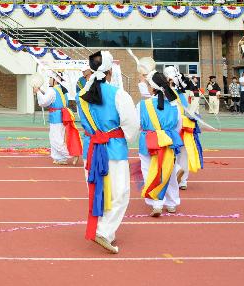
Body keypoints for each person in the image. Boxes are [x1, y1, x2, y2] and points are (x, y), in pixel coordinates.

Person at [76, 51, 139, 254]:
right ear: (111, 70)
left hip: (92, 149)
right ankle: (103, 231)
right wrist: (128, 137)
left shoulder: (82, 96)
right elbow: (131, 125)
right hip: (113, 149)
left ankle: (105, 231)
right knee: (120, 193)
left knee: (98, 192)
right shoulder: (118, 94)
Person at [137, 71, 184, 217]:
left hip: (149, 141)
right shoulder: (174, 104)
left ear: (152, 87)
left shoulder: (142, 105)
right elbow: (178, 125)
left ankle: (156, 203)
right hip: (168, 140)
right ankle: (171, 203)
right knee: (168, 171)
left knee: (149, 172)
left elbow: (137, 124)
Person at [35, 71, 82, 164]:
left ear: (55, 80)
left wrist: (37, 92)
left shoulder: (52, 90)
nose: (49, 80)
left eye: (50, 78)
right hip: (61, 115)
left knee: (56, 139)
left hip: (56, 117)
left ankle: (72, 154)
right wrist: (40, 92)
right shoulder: (62, 90)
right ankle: (60, 158)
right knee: (58, 137)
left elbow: (43, 102)